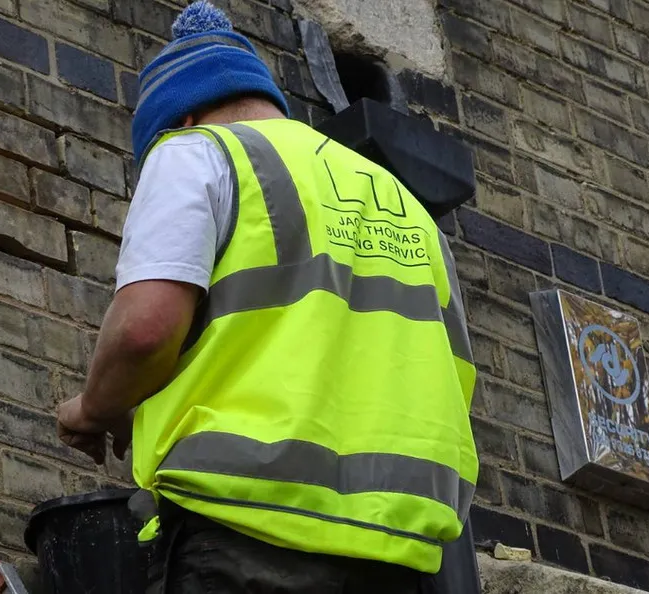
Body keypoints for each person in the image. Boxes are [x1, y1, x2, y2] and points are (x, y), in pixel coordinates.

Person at [56, 2, 478, 592]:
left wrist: (95, 408)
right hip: (400, 556)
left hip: (243, 534)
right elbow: (453, 380)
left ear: (181, 118)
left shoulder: (196, 151)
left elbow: (144, 332)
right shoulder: (409, 209)